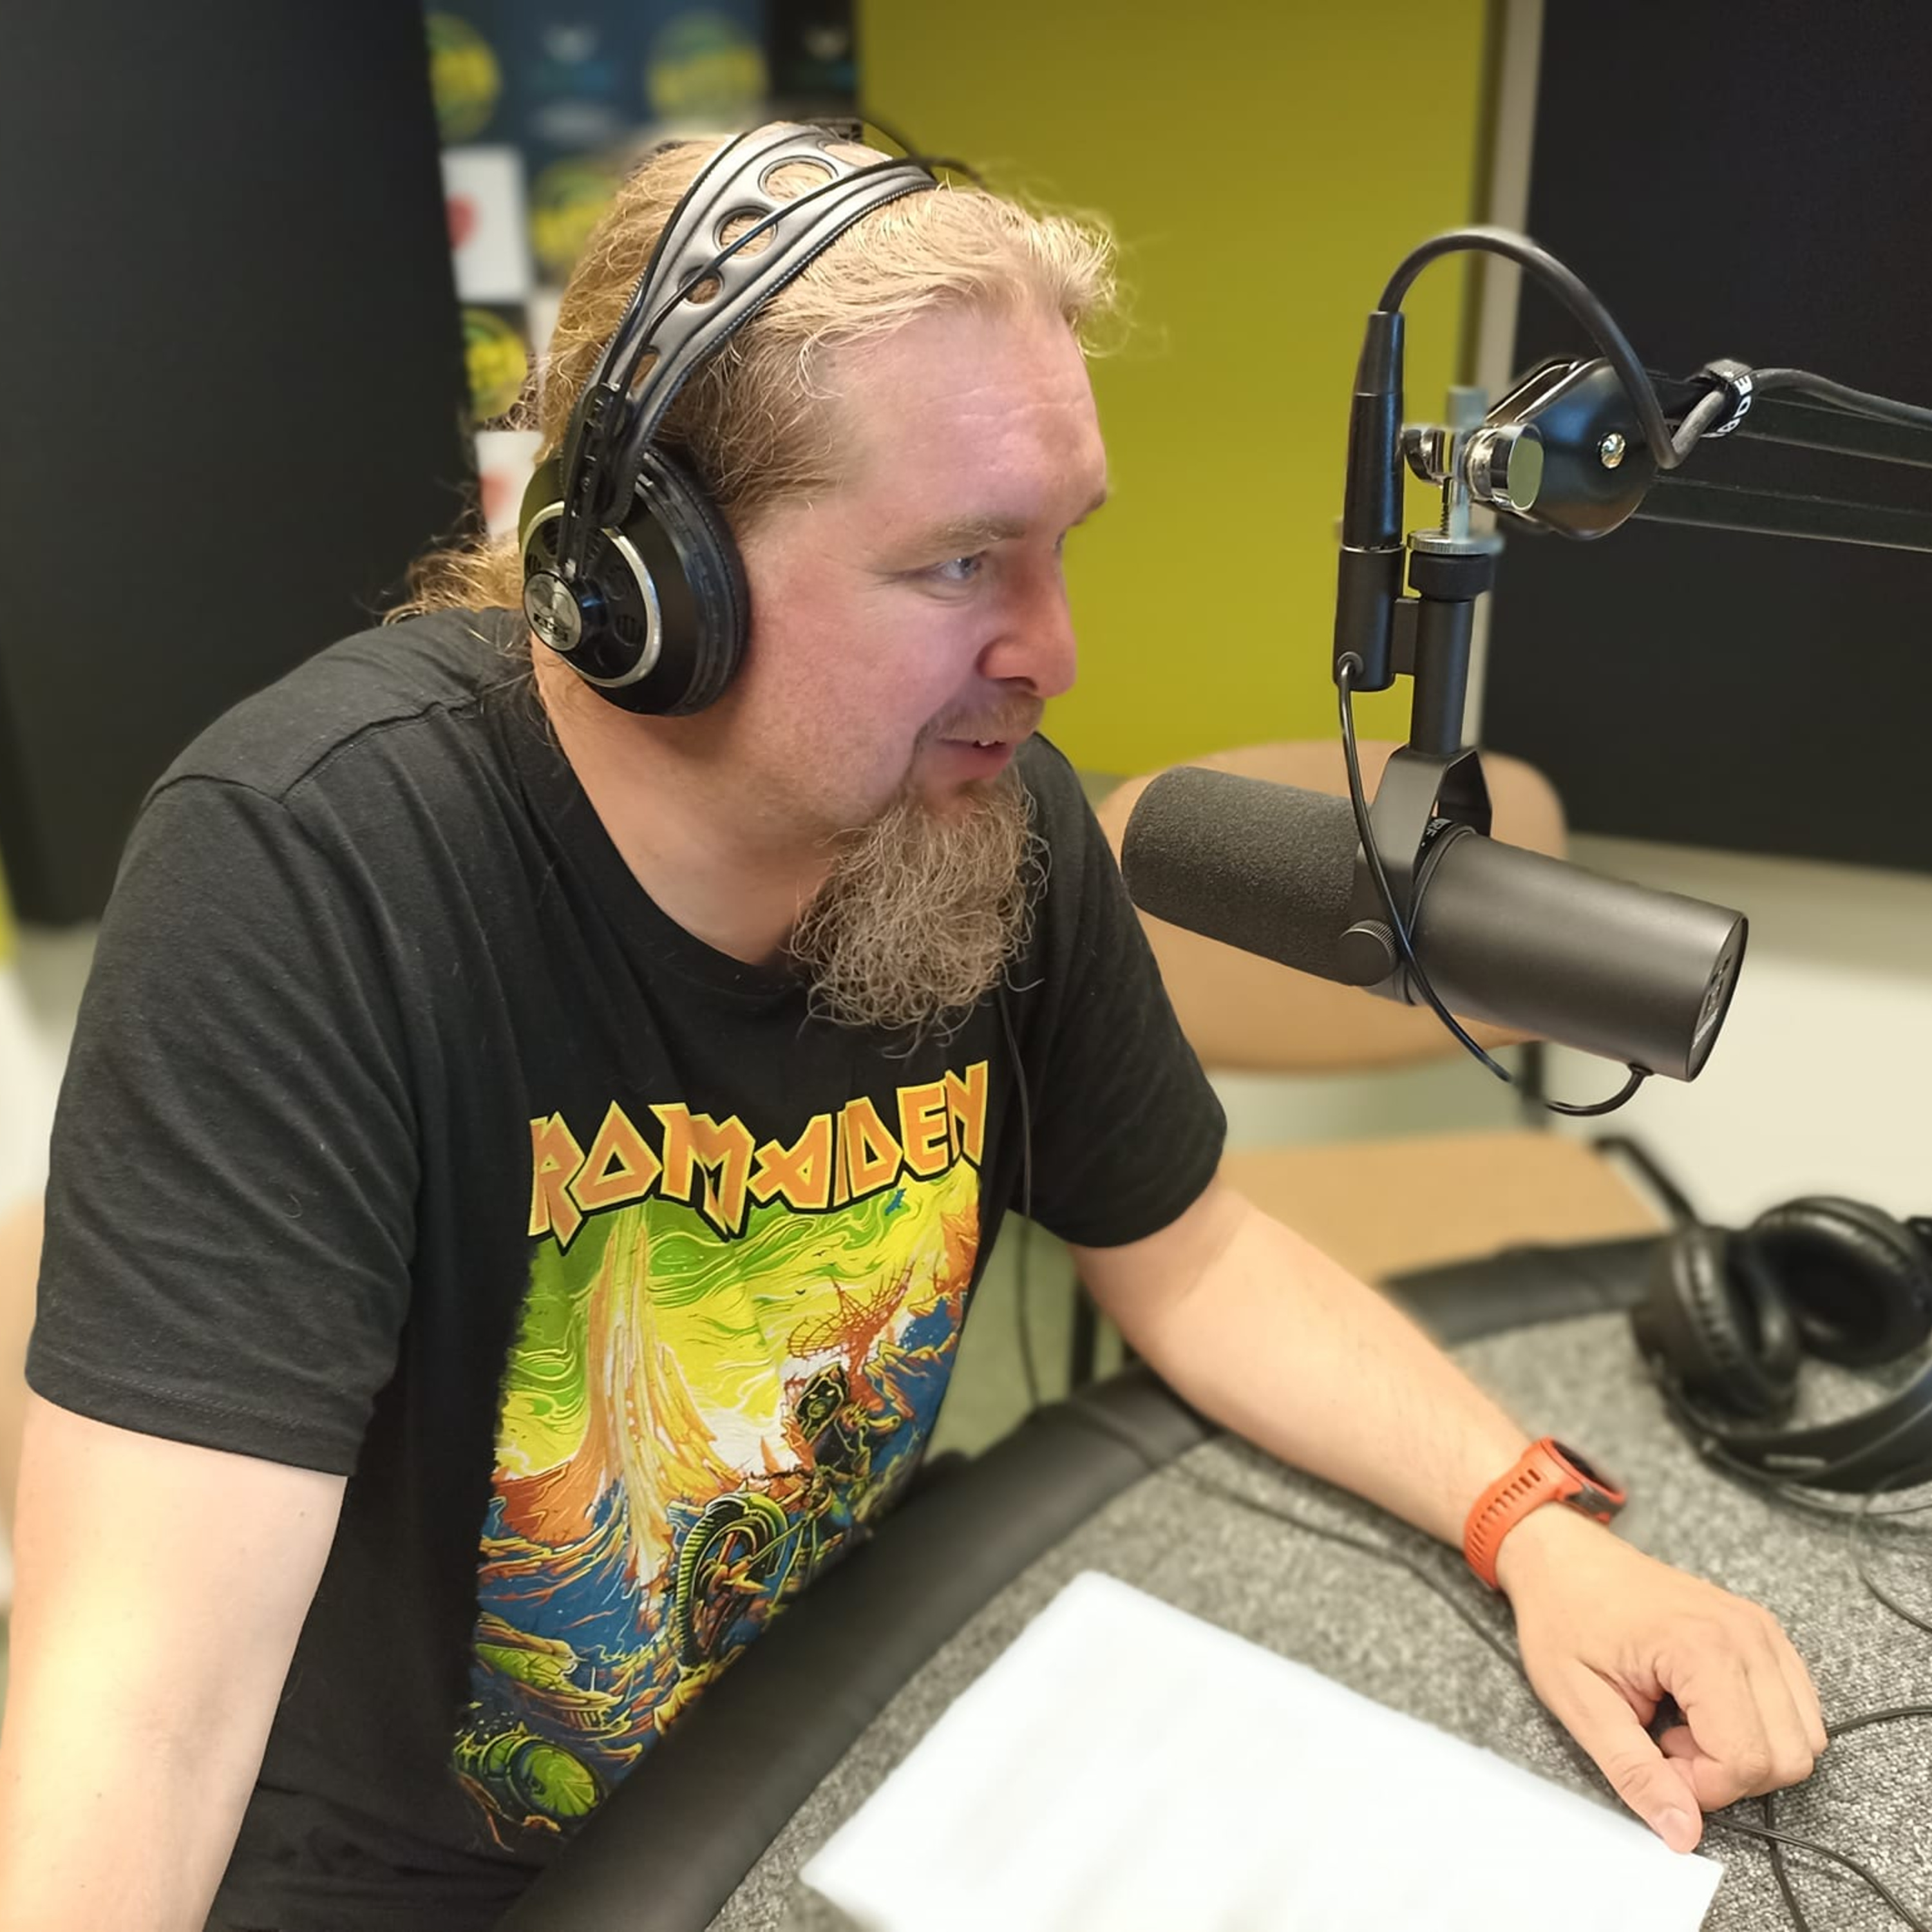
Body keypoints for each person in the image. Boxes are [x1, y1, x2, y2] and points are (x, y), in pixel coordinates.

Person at [0, 127, 1824, 1932]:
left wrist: (1536, 1528)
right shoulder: (311, 873)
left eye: (1059, 549)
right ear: (653, 580)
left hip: (848, 1751)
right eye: (961, 565)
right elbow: (145, 1712)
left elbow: (1191, 1255)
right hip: (428, 1884)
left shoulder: (987, 824)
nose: (1054, 654)